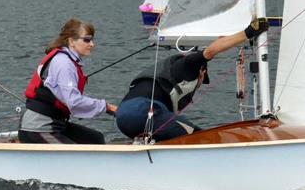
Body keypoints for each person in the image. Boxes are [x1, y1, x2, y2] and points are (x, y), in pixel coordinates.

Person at [115, 18, 269, 142]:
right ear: (202, 71)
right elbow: (211, 50)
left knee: (173, 135)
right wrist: (249, 32)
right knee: (200, 136)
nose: (200, 84)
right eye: (203, 79)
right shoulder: (188, 65)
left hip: (123, 118)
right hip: (143, 112)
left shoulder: (171, 73)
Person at [19, 18, 117, 144]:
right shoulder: (63, 63)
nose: (92, 44)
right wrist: (107, 107)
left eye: (92, 39)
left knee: (96, 139)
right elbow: (74, 102)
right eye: (87, 40)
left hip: (56, 123)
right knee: (76, 157)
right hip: (38, 128)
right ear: (71, 41)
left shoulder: (68, 60)